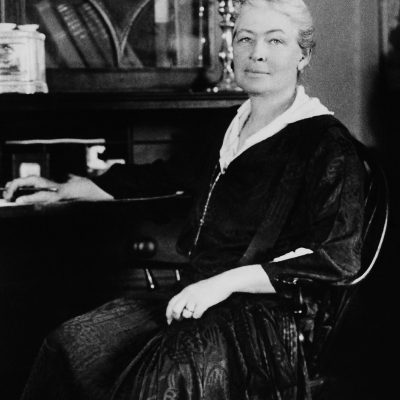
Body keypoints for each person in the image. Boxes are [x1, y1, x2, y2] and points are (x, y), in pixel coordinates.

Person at [7, 0, 366, 399]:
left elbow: (337, 258)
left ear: (304, 55)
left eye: (275, 40)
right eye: (245, 38)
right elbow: (162, 177)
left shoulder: (326, 144)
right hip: (195, 295)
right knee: (71, 346)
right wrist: (66, 187)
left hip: (264, 319)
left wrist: (223, 285)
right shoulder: (227, 125)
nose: (257, 53)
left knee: (157, 381)